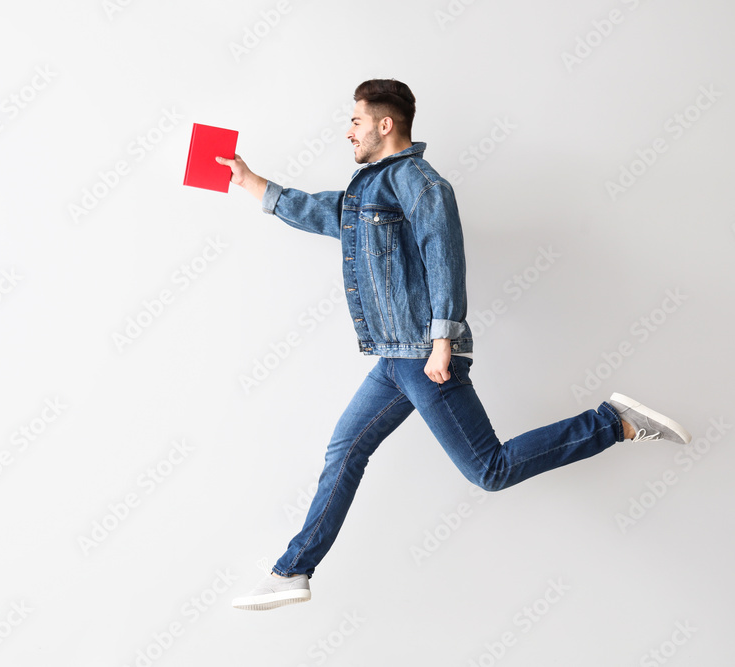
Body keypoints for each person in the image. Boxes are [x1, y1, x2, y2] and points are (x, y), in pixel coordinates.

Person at [219, 79, 692, 612]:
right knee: (344, 451)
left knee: (488, 469)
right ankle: (294, 570)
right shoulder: (369, 189)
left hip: (423, 353)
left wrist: (441, 340)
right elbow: (320, 211)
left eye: (355, 120)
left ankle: (612, 423)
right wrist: (250, 181)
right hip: (395, 358)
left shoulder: (422, 184)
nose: (347, 130)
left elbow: (445, 258)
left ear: (384, 124)